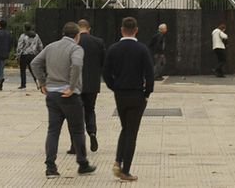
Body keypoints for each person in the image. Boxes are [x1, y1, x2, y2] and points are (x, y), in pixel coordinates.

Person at [31, 21, 97, 178]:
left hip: (52, 94)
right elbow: (76, 65)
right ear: (77, 35)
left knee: (53, 131)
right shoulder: (76, 48)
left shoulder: (51, 47)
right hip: (69, 95)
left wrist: (42, 82)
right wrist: (72, 86)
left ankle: (50, 167)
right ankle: (82, 164)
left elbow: (35, 63)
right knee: (77, 130)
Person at [103, 16, 155, 182]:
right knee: (132, 132)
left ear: (121, 30)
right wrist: (147, 93)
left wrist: (114, 87)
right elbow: (150, 74)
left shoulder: (113, 49)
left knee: (125, 128)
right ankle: (125, 170)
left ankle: (118, 160)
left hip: (120, 94)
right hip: (137, 94)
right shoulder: (142, 49)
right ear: (136, 30)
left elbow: (105, 73)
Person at [70, 19, 104, 155]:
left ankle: (75, 144)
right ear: (89, 29)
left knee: (75, 114)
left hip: (76, 83)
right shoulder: (98, 42)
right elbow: (103, 61)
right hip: (92, 83)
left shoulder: (74, 42)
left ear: (78, 29)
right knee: (90, 109)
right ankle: (92, 132)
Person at [16, 23, 43, 89]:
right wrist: (39, 52)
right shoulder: (36, 36)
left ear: (24, 28)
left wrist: (18, 55)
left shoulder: (23, 36)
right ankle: (37, 82)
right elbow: (40, 45)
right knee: (33, 70)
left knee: (23, 70)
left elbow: (19, 47)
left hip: (24, 55)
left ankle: (23, 84)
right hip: (33, 55)